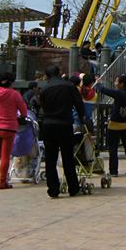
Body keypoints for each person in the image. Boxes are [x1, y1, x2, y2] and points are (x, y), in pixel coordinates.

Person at [39, 64, 85, 198]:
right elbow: (79, 104)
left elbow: (42, 106)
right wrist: (82, 120)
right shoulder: (69, 86)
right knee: (68, 157)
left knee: (50, 159)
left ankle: (53, 189)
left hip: (48, 124)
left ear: (47, 75)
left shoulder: (44, 88)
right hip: (65, 124)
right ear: (59, 73)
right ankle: (73, 187)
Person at [95, 75, 126, 176]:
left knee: (113, 148)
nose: (115, 84)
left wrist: (98, 84)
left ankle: (113, 171)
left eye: (116, 82)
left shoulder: (120, 93)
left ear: (121, 84)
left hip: (115, 124)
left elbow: (104, 90)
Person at [0, 72, 27, 189]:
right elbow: (23, 110)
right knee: (5, 156)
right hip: (8, 128)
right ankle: (2, 181)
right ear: (11, 82)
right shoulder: (14, 94)